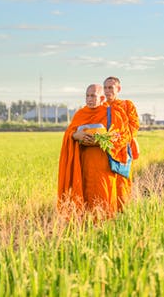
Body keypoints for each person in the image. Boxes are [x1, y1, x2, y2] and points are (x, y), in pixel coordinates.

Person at [57, 84, 131, 220]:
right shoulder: (80, 114)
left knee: (104, 197)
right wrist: (76, 136)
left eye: (93, 96)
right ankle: (85, 228)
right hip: (84, 165)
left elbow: (122, 136)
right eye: (87, 95)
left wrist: (102, 140)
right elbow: (69, 133)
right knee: (85, 196)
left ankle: (105, 226)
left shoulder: (113, 113)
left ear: (102, 98)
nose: (89, 99)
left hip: (104, 166)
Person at [103, 76, 140, 211]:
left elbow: (134, 126)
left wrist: (117, 139)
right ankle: (107, 214)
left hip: (122, 151)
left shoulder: (126, 105)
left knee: (122, 185)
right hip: (103, 152)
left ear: (118, 89)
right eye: (105, 88)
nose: (107, 91)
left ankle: (122, 214)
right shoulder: (100, 106)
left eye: (110, 88)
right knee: (106, 186)